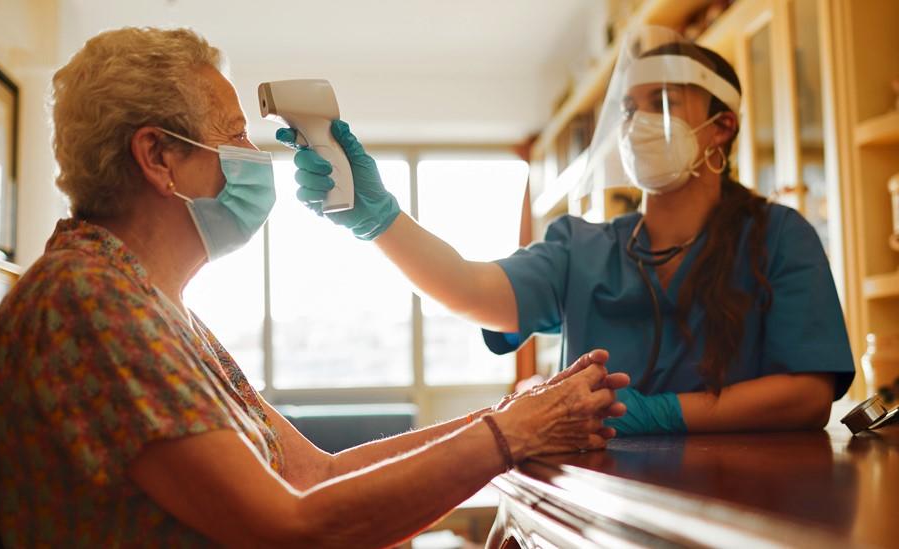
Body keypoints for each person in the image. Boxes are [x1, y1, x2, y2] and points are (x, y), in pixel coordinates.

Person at [0, 27, 629, 547]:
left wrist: (515, 416)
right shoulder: (88, 302)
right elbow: (290, 528)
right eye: (233, 136)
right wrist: (508, 436)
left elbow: (318, 475)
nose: (256, 158)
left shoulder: (158, 309)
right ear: (158, 156)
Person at [281, 27, 854, 437]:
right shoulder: (582, 247)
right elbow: (473, 289)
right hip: (599, 498)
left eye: (660, 104)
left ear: (721, 127)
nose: (636, 124)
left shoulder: (780, 235)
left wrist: (664, 412)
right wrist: (379, 219)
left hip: (751, 504)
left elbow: (807, 396)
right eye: (628, 109)